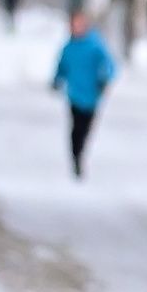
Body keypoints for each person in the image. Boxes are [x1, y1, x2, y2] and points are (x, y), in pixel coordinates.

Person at [49, 11, 116, 177]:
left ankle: (81, 151)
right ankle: (76, 156)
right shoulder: (68, 47)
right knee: (76, 127)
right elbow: (62, 66)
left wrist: (105, 79)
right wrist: (57, 80)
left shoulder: (95, 45)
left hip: (92, 95)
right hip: (74, 94)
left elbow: (109, 64)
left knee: (86, 127)